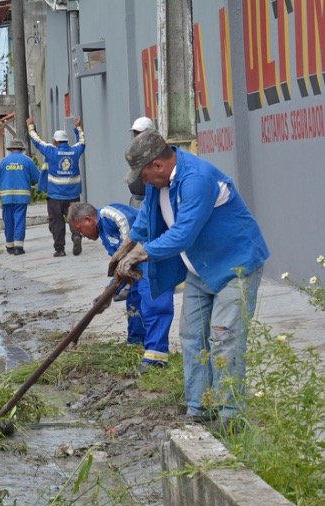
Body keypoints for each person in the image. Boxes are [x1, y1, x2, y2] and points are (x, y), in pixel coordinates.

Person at [115, 129, 269, 425]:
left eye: (144, 175)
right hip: (200, 267)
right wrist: (125, 247)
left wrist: (140, 254)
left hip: (235, 265)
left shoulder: (196, 179)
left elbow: (183, 234)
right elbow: (148, 217)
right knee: (191, 336)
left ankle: (230, 415)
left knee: (225, 337)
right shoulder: (157, 183)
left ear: (158, 166)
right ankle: (200, 408)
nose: (142, 181)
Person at [68, 202, 175, 372]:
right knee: (134, 302)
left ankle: (156, 357)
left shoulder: (108, 214)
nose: (83, 235)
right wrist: (109, 293)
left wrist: (128, 253)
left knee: (153, 304)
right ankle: (136, 345)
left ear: (88, 219)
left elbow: (128, 223)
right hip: (137, 267)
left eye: (80, 230)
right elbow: (121, 269)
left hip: (153, 257)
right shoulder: (104, 234)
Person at [27, 116, 86, 257]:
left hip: (55, 195)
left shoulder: (51, 151)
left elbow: (37, 141)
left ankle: (60, 249)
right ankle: (76, 235)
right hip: (73, 194)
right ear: (66, 140)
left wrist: (31, 126)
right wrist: (78, 127)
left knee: (56, 222)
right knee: (74, 218)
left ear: (55, 141)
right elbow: (82, 142)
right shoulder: (75, 151)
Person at [0, 138, 40, 255]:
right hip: (22, 197)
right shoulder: (27, 161)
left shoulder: (4, 162)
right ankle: (18, 247)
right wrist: (30, 181)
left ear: (10, 149)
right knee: (19, 220)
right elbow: (37, 178)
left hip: (6, 197)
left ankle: (9, 246)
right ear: (22, 149)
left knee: (8, 221)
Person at [127, 117, 154, 207]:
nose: (137, 136)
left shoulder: (157, 149)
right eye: (135, 133)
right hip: (135, 198)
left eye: (140, 133)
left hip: (150, 198)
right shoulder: (134, 150)